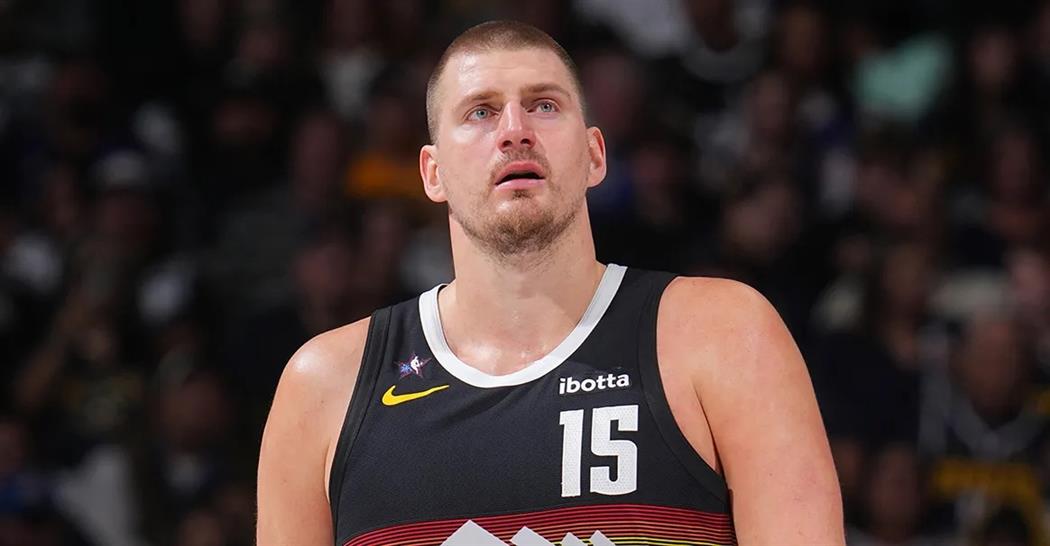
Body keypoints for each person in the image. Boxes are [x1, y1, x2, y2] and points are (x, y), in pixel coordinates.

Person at [257, 21, 842, 546]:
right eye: (480, 112)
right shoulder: (323, 386)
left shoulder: (725, 336)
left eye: (543, 105)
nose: (514, 131)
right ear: (433, 174)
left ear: (594, 155)